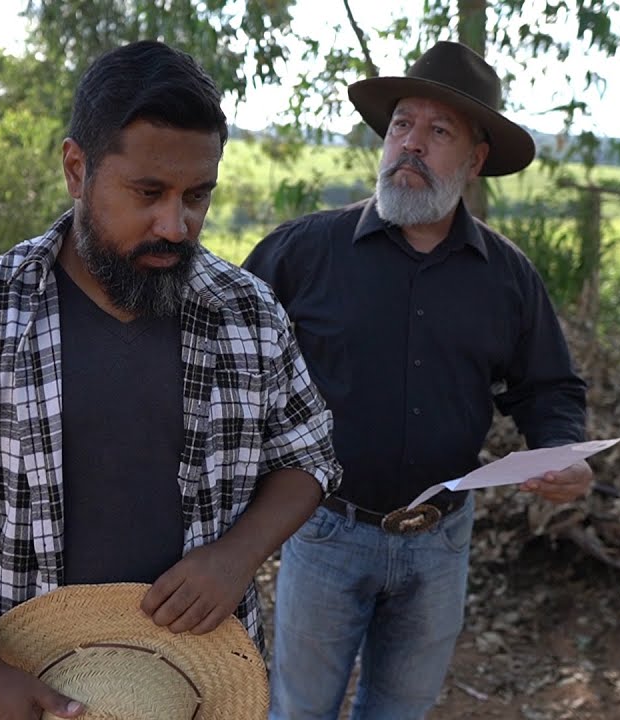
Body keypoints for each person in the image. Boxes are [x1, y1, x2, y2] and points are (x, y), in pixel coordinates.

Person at [0, 40, 340, 720]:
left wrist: (237, 556)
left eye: (197, 196)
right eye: (148, 193)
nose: (175, 225)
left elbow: (308, 456)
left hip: (199, 683)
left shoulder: (247, 312)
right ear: (76, 169)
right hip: (30, 679)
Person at [242, 41, 593, 719]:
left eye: (438, 132)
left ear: (475, 159)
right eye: (402, 124)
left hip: (441, 544)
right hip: (324, 532)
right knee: (299, 710)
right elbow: (226, 354)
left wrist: (563, 455)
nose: (410, 144)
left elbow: (549, 389)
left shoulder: (508, 277)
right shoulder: (304, 251)